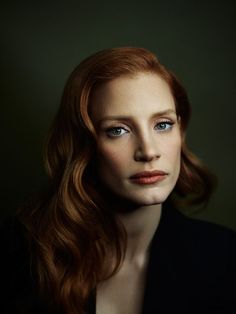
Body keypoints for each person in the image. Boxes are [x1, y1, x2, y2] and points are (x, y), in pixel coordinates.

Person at [1, 47, 236, 314]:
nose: (148, 151)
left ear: (181, 131)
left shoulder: (224, 258)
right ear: (84, 144)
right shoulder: (21, 253)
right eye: (118, 130)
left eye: (162, 124)